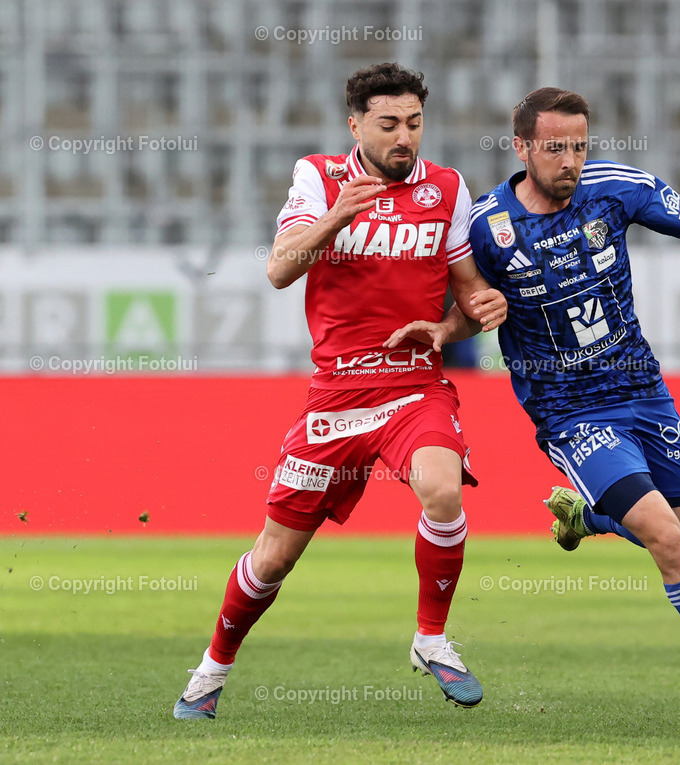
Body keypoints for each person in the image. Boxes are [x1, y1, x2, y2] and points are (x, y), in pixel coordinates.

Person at [390, 87, 680, 727]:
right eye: (555, 147)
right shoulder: (487, 228)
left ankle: (588, 519)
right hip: (571, 412)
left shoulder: (616, 188)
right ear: (522, 146)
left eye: (579, 146)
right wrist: (452, 330)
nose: (570, 160)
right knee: (669, 541)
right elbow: (471, 310)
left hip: (644, 394)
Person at [172, 63, 507, 719]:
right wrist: (335, 217)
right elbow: (278, 269)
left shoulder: (446, 188)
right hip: (335, 399)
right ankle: (210, 670)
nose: (403, 136)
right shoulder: (318, 177)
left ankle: (432, 639)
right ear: (355, 124)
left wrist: (464, 317)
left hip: (414, 385)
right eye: (388, 124)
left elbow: (469, 294)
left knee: (441, 487)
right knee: (273, 558)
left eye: (413, 123)